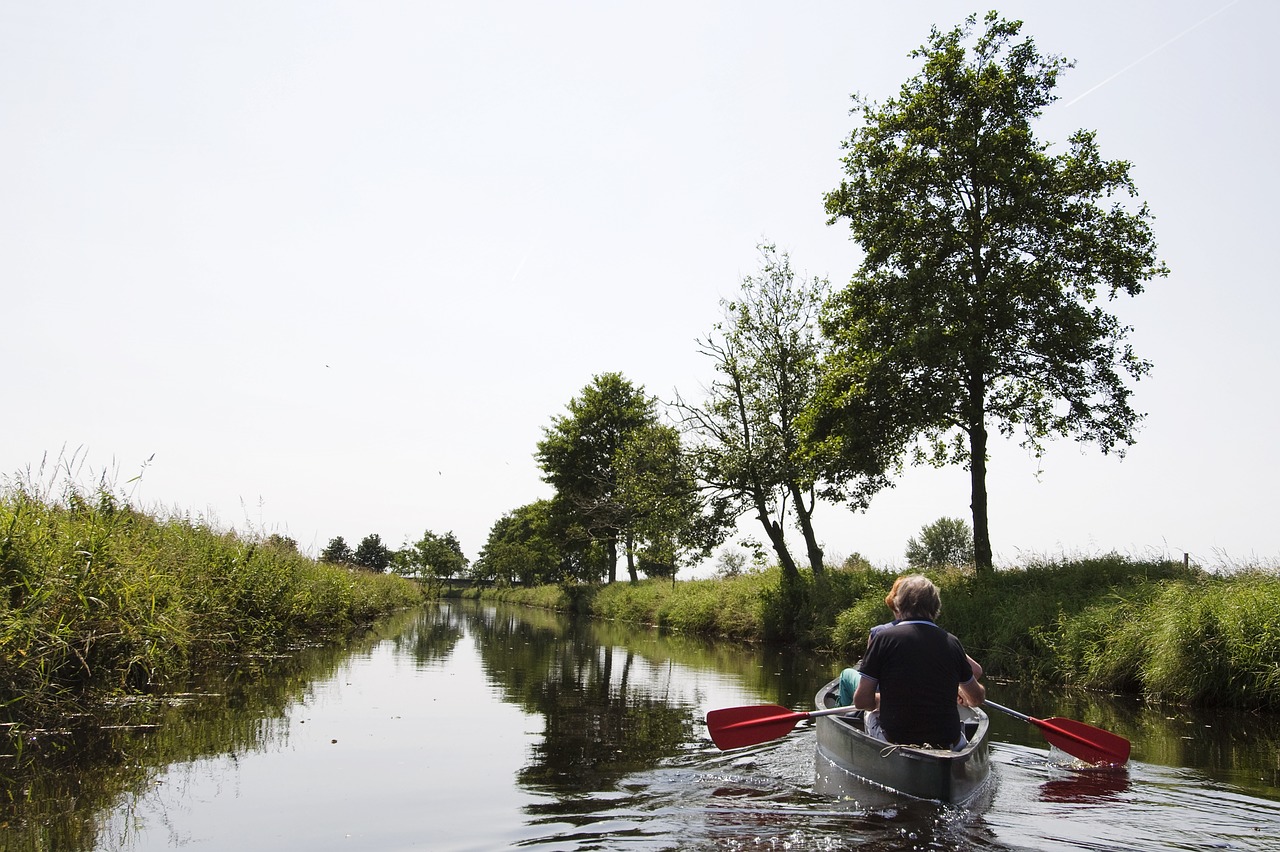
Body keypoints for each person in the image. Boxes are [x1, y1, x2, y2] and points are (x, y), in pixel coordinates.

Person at [850, 575, 985, 749]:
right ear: (936, 607)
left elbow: (861, 702)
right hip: (946, 742)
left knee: (869, 715)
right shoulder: (952, 642)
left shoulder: (883, 639)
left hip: (895, 739)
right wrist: (961, 692)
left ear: (898, 605)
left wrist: (879, 701)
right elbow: (977, 698)